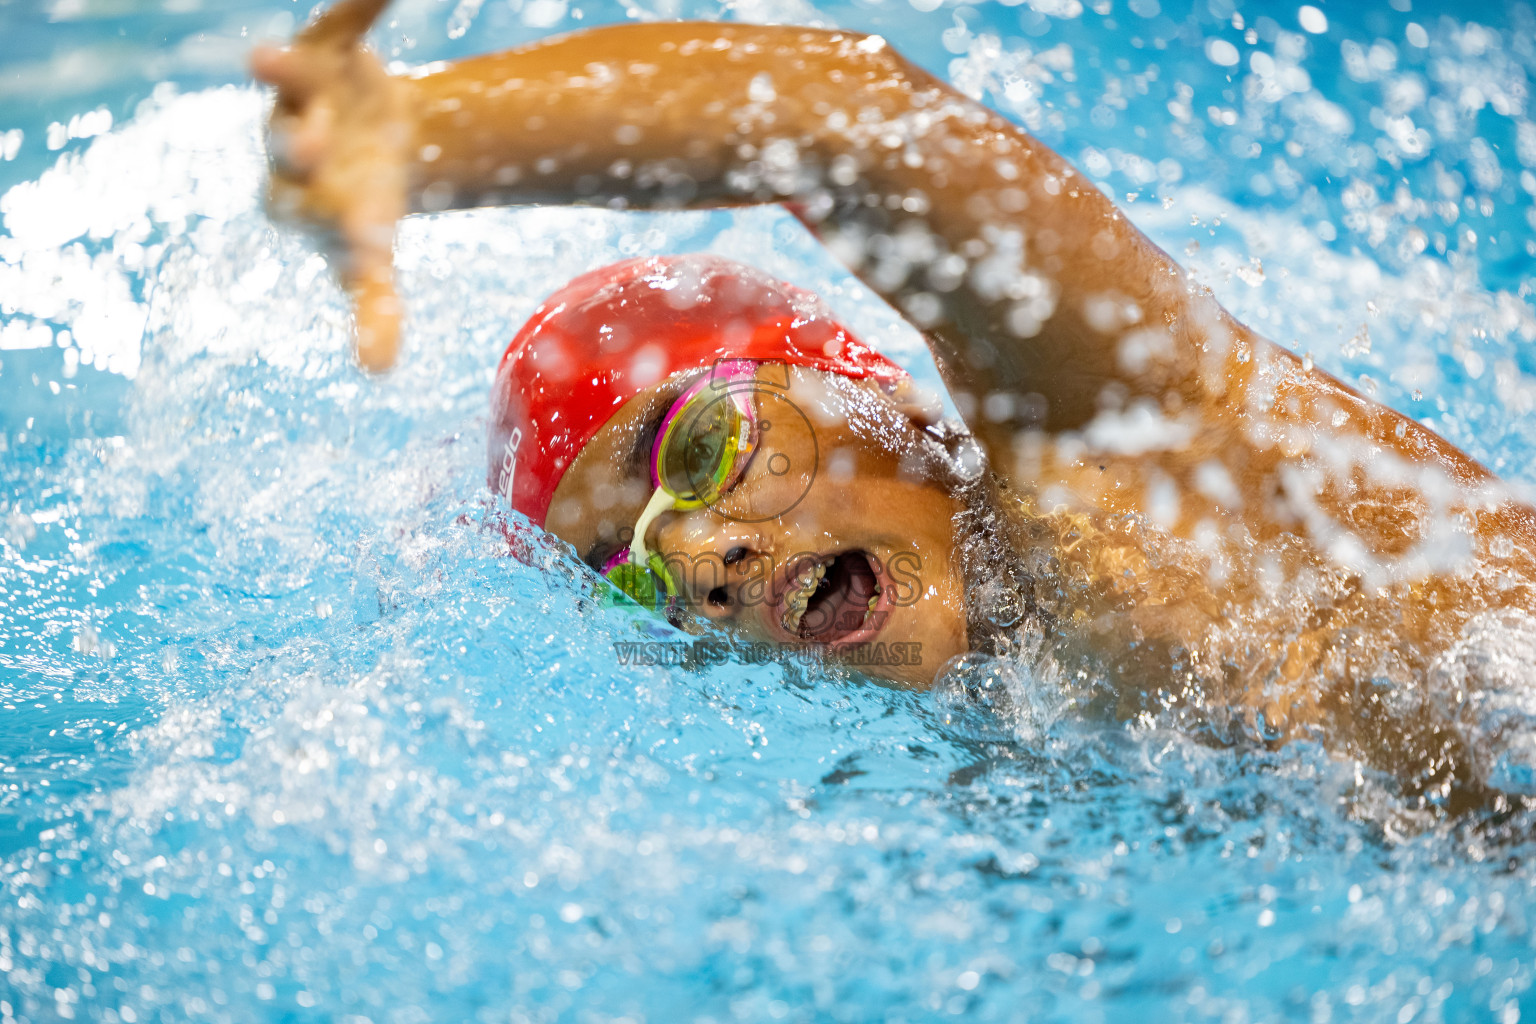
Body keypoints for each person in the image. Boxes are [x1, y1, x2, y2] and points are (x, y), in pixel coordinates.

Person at [251, 0, 1536, 809]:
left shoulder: (1115, 453)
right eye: (632, 570)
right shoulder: (998, 754)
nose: (699, 556)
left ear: (868, 389)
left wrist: (434, 135)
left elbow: (853, 123)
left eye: (698, 448)